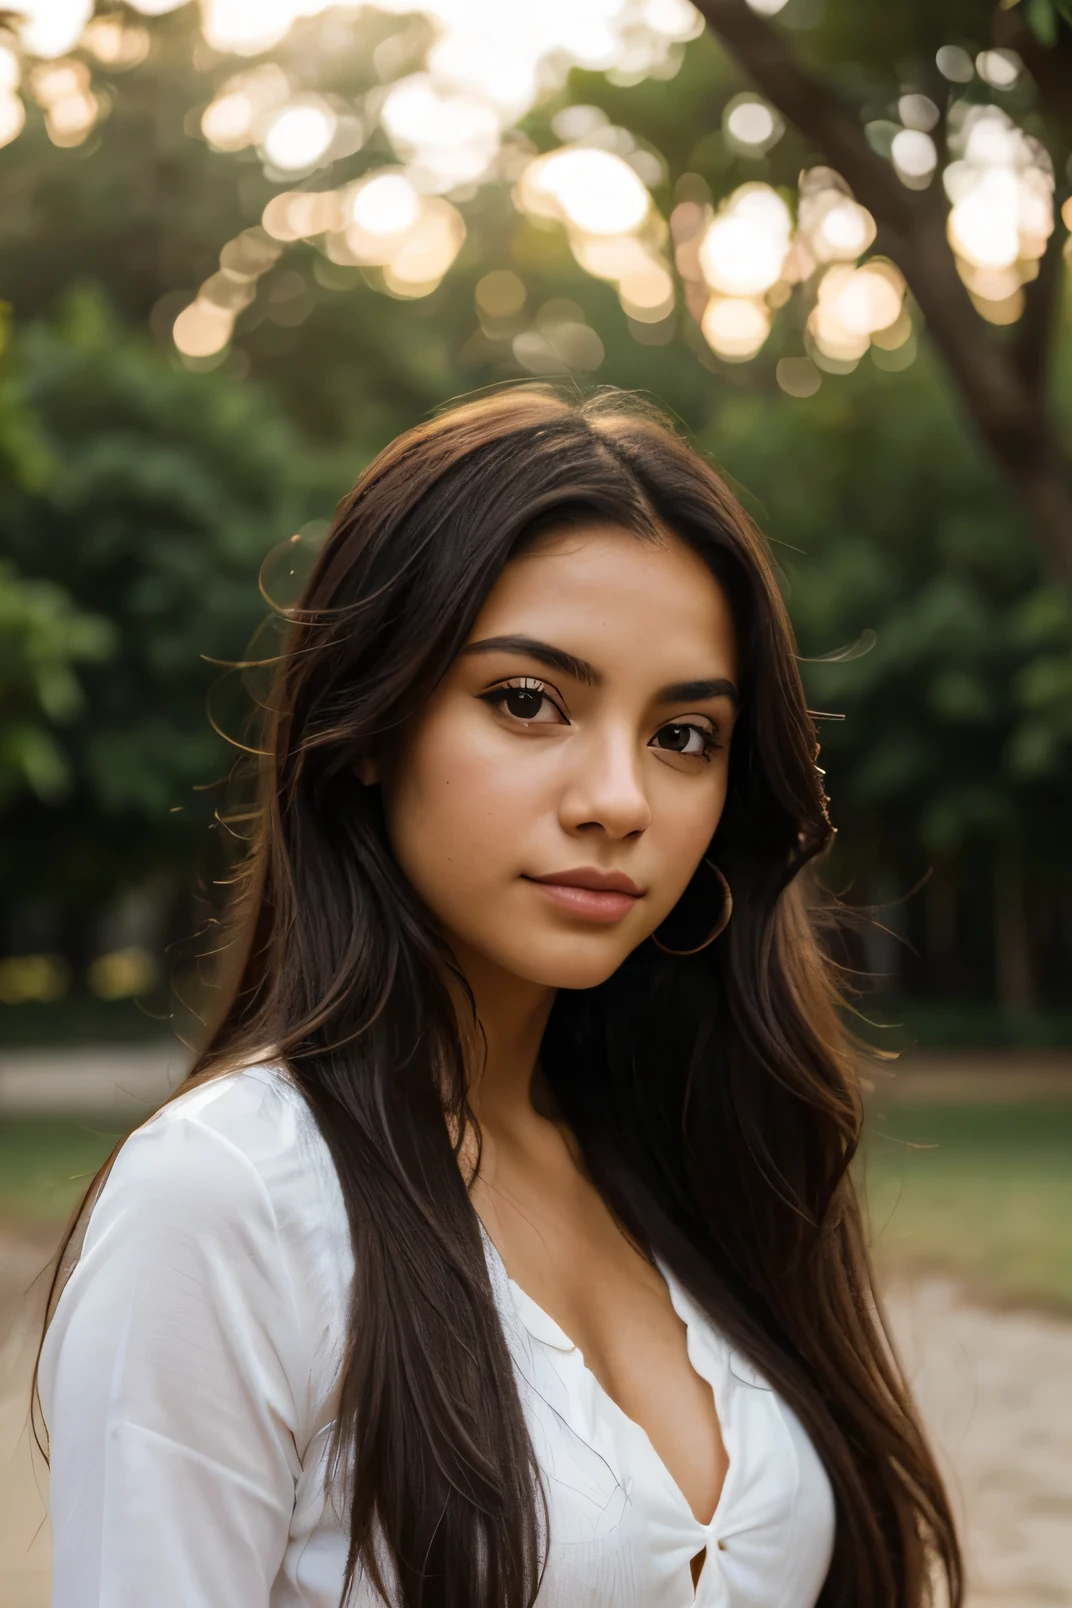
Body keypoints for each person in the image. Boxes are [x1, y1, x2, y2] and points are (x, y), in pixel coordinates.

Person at [36, 388, 960, 1608]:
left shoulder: (697, 1152)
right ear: (369, 722)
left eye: (685, 733)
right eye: (529, 702)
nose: (618, 799)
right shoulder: (232, 1198)